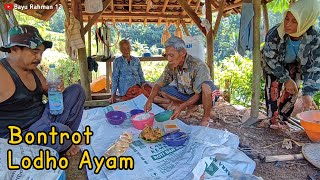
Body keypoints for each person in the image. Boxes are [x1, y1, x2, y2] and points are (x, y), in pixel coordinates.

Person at [0, 25, 85, 156]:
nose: (39, 57)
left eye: (41, 52)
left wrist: (57, 86)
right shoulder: (2, 72)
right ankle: (64, 142)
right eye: (34, 52)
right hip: (22, 135)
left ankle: (63, 141)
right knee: (62, 133)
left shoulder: (33, 69)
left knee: (76, 91)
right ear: (14, 49)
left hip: (44, 119)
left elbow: (50, 91)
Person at [262, 0, 320, 129]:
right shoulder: (275, 33)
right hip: (274, 65)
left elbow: (314, 66)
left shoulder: (315, 37)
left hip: (297, 66)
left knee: (292, 92)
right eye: (287, 19)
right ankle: (272, 121)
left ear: (306, 21)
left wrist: (308, 92)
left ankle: (282, 121)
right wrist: (285, 78)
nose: (287, 24)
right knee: (273, 90)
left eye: (294, 21)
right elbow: (270, 58)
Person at [144, 36, 217, 126]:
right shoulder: (171, 65)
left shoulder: (198, 65)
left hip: (201, 96)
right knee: (163, 90)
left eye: (171, 55)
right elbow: (159, 84)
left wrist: (181, 106)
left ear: (182, 52)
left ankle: (206, 118)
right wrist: (150, 100)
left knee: (206, 87)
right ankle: (190, 106)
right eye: (167, 55)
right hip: (186, 94)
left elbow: (198, 94)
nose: (169, 59)